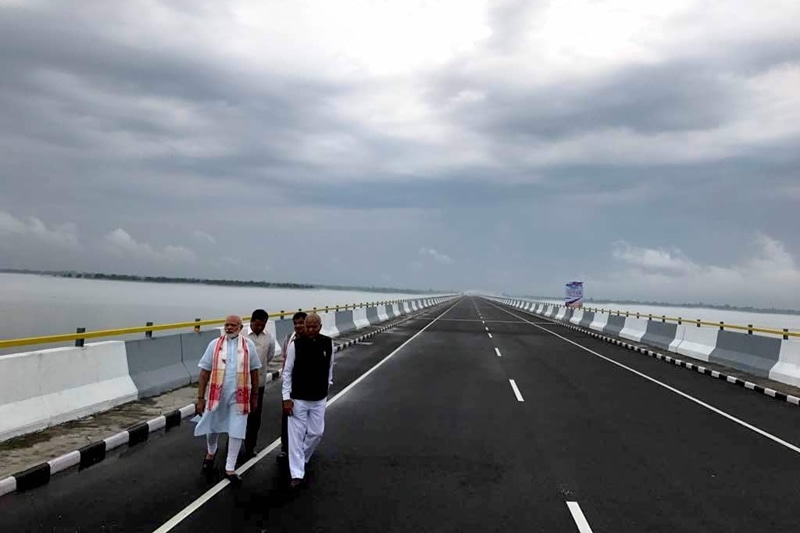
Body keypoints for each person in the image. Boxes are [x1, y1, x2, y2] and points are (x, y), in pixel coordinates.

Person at [194, 315, 261, 485]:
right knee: (212, 427)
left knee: (237, 430)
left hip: (240, 395)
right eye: (226, 325)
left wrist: (255, 396)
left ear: (240, 327)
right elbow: (204, 372)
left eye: (233, 325)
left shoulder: (248, 345)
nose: (229, 328)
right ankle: (211, 452)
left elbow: (255, 371)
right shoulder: (214, 344)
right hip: (217, 394)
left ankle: (230, 467)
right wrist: (200, 398)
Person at [282, 313, 334, 488]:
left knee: (316, 433)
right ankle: (297, 473)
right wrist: (286, 397)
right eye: (308, 326)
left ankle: (301, 457)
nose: (310, 330)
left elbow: (330, 367)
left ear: (320, 327)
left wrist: (327, 386)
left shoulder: (328, 343)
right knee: (296, 437)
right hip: (298, 398)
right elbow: (287, 372)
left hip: (319, 398)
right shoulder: (296, 345)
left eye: (314, 327)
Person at [242, 308, 275, 460]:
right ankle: (233, 446)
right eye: (257, 324)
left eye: (263, 325)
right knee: (237, 416)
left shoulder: (269, 338)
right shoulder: (242, 335)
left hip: (258, 384)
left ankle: (250, 447)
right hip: (241, 383)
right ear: (251, 321)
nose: (260, 327)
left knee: (254, 417)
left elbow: (269, 356)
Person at [276, 311, 307, 464]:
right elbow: (285, 358)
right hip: (290, 385)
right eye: (296, 323)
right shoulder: (289, 339)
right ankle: (285, 448)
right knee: (287, 417)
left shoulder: (312, 339)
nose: (298, 326)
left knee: (304, 419)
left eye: (301, 323)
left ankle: (302, 448)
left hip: (306, 386)